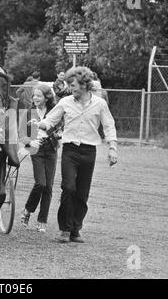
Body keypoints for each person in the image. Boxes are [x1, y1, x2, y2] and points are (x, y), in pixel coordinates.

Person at [32, 66, 118, 243]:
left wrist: (112, 147)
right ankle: (65, 229)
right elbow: (51, 120)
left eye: (73, 85)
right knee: (68, 187)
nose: (70, 89)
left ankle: (75, 229)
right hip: (70, 150)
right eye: (69, 85)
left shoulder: (99, 104)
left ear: (85, 84)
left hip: (89, 151)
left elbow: (109, 125)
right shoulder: (65, 102)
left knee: (82, 193)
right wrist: (39, 124)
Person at [19, 84, 61, 233]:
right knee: (41, 183)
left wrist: (56, 134)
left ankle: (42, 220)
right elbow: (21, 134)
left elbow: (58, 131)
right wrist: (30, 142)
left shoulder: (54, 112)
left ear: (46, 98)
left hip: (51, 149)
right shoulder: (29, 113)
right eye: (34, 95)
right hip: (36, 149)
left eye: (39, 95)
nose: (35, 98)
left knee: (48, 187)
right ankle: (27, 211)